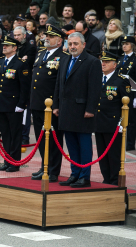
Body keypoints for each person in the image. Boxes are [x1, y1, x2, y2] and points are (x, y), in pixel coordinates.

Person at [53, 32, 102, 188]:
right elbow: (58, 85)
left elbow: (95, 88)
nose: (72, 47)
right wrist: (56, 105)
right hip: (66, 110)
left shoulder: (92, 62)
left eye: (75, 44)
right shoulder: (65, 59)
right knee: (72, 145)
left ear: (83, 45)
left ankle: (84, 176)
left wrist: (91, 109)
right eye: (70, 44)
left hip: (82, 111)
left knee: (84, 146)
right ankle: (74, 174)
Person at [30, 25, 69, 182]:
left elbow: (60, 84)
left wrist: (56, 105)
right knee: (41, 138)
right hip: (37, 103)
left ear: (59, 41)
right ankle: (44, 166)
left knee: (54, 139)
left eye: (51, 36)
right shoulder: (41, 54)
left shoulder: (63, 57)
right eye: (46, 36)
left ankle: (53, 171)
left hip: (51, 106)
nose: (47, 38)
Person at [0, 36, 29, 172]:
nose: (4, 47)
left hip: (14, 105)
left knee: (15, 135)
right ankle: (7, 161)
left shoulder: (20, 64)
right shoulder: (0, 62)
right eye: (4, 45)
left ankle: (14, 163)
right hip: (2, 103)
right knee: (6, 135)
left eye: (7, 45)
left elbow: (24, 87)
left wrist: (21, 105)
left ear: (15, 48)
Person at [96, 51, 130, 185]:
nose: (103, 64)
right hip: (98, 122)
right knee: (102, 154)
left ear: (114, 65)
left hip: (114, 124)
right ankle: (106, 178)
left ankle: (114, 180)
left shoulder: (121, 80)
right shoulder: (97, 78)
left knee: (113, 155)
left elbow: (126, 104)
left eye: (107, 62)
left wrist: (123, 123)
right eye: (102, 61)